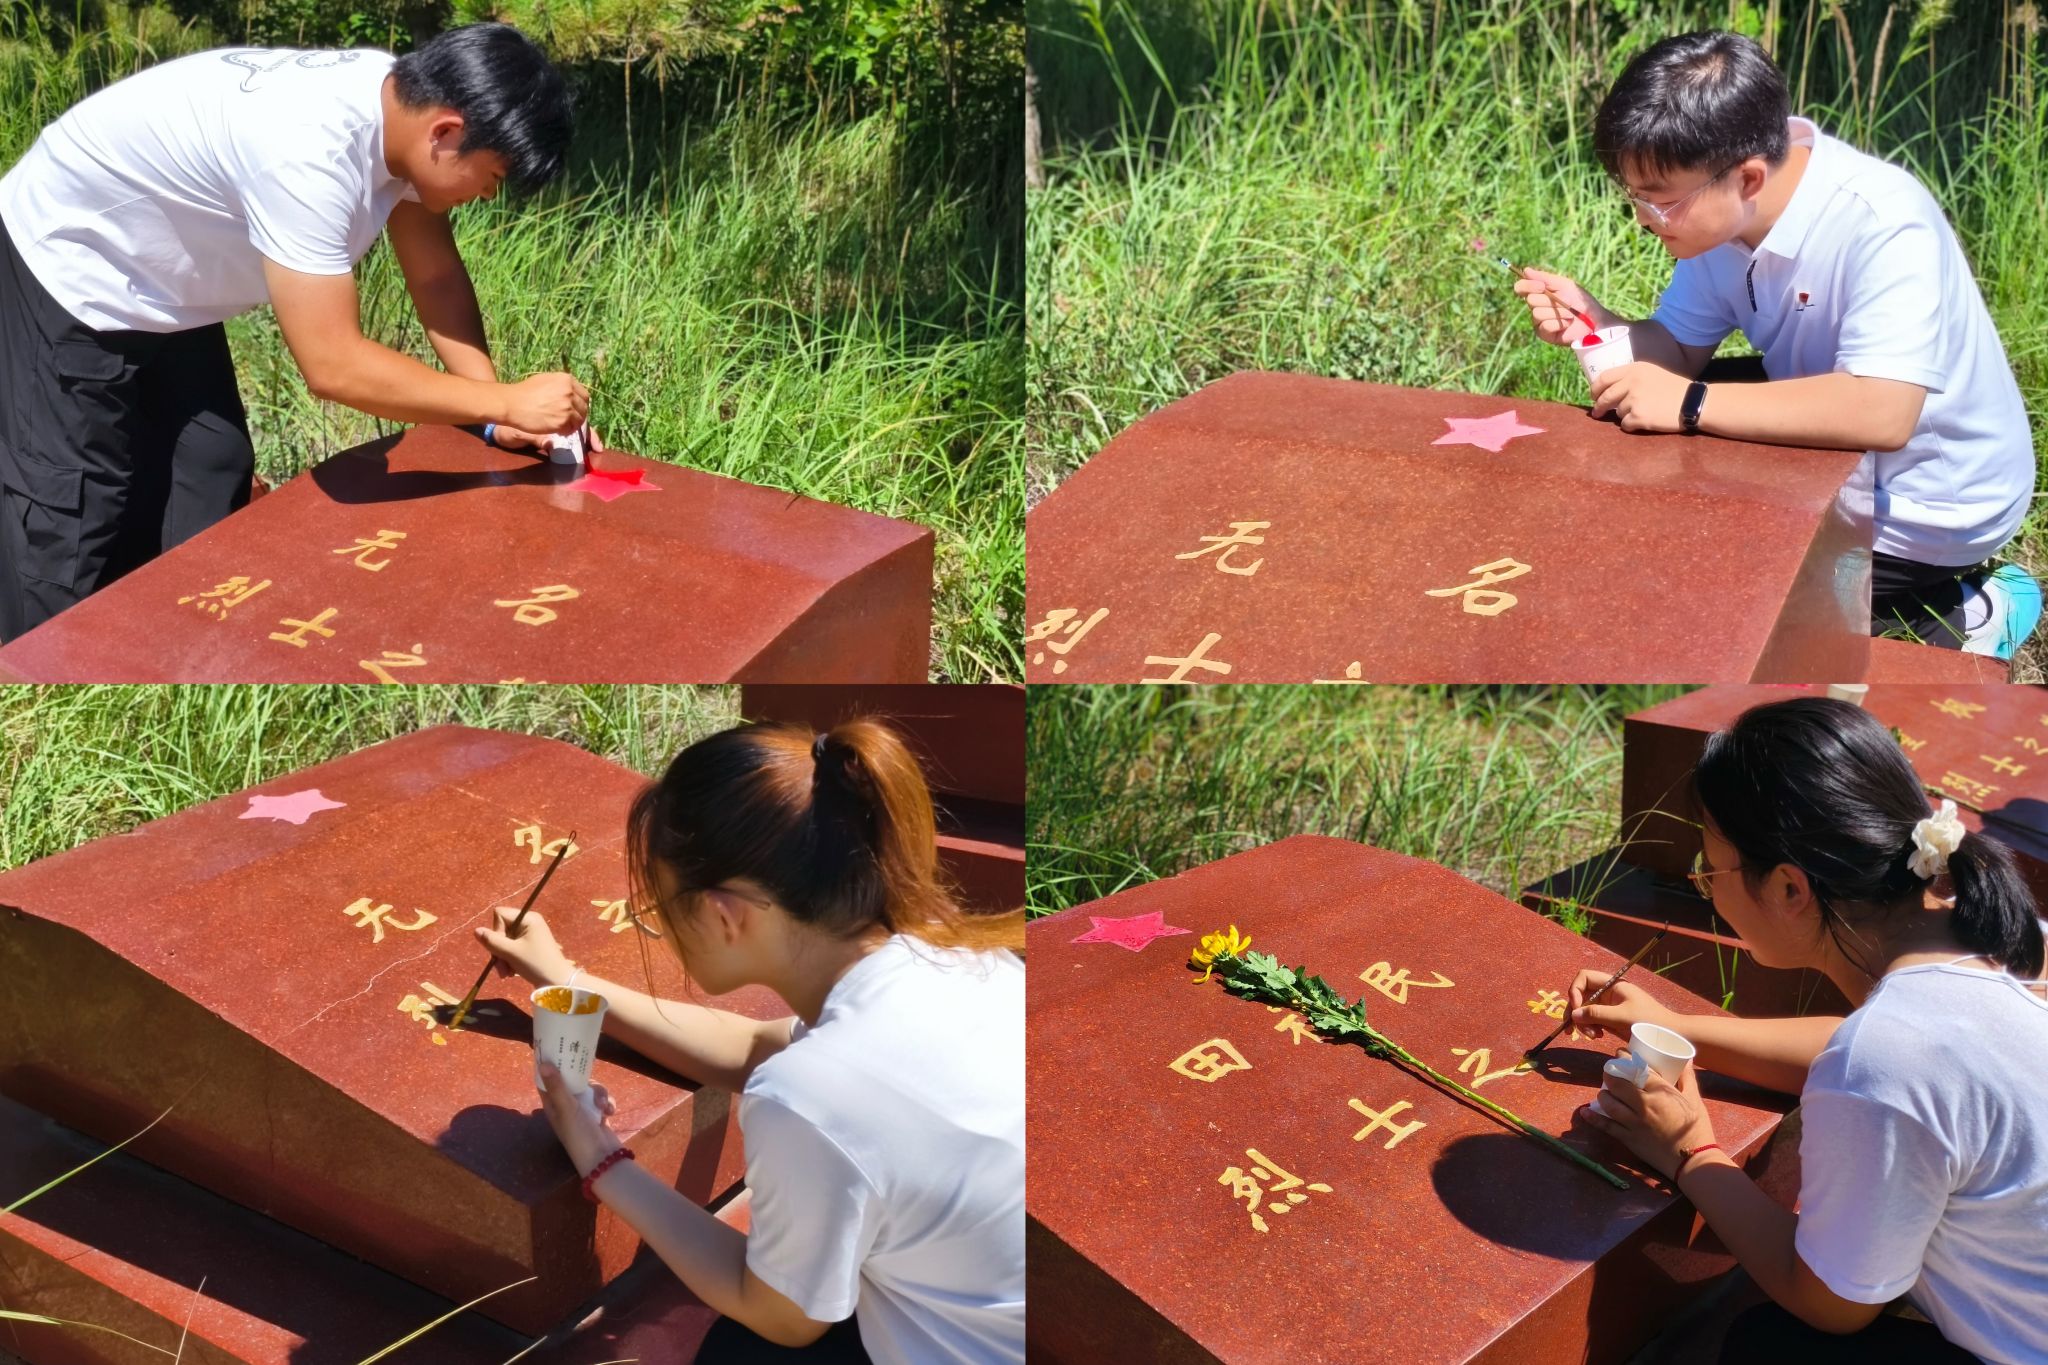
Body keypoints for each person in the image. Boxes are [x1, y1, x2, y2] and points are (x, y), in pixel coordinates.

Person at [0, 23, 597, 642]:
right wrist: (506, 402)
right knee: (71, 518)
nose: (486, 197)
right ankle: (36, 671)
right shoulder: (307, 155)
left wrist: (499, 417)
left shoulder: (401, 112)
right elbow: (333, 366)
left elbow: (437, 279)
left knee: (211, 467)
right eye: (492, 178)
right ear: (445, 133)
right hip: (71, 270)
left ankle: (167, 652)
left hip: (166, 280)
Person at [477, 718, 1026, 1363]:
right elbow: (755, 1046)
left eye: (657, 908)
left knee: (739, 1352)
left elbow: (782, 1318)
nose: (660, 927)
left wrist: (598, 1155)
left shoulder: (811, 1100)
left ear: (722, 914)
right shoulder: (954, 958)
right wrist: (567, 980)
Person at [1513, 31, 2040, 659]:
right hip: (1832, 435)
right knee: (1646, 486)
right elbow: (1677, 351)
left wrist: (1690, 405)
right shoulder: (1721, 217)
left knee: (1717, 611)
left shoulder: (1883, 221)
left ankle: (1969, 612)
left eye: (1661, 201)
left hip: (1928, 506)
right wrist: (1598, 324)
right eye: (1635, 197)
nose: (1643, 219)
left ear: (1748, 177)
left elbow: (1884, 411)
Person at [1566, 697, 2048, 1363]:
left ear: (1789, 889)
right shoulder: (2002, 937)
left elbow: (1831, 1301)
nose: (1707, 887)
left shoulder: (1892, 1054)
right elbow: (1885, 1062)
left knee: (1770, 1346)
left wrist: (1691, 1152)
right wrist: (1677, 1027)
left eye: (1710, 870)